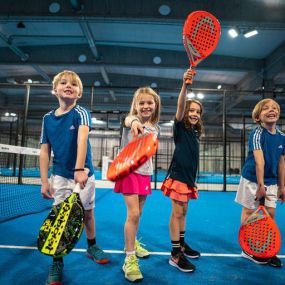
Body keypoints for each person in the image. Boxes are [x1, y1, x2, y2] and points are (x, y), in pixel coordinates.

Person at [40, 70, 110, 285]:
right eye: (63, 82)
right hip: (60, 176)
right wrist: (45, 180)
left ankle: (92, 246)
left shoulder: (81, 112)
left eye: (74, 84)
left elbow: (82, 139)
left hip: (84, 173)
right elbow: (44, 150)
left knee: (87, 213)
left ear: (79, 93)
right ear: (55, 90)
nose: (68, 85)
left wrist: (80, 169)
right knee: (60, 219)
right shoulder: (47, 119)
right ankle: (57, 261)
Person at [114, 87, 161, 282]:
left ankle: (131, 243)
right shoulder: (130, 121)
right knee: (132, 214)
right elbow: (128, 120)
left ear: (155, 105)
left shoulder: (156, 127)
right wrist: (133, 121)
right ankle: (129, 258)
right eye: (141, 103)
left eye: (149, 102)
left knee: (138, 214)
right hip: (129, 172)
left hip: (145, 173)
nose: (146, 106)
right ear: (136, 105)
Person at [235, 98, 285, 268]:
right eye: (266, 108)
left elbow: (281, 162)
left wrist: (282, 187)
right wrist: (260, 185)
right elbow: (259, 160)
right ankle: (247, 249)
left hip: (271, 182)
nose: (271, 110)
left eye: (274, 108)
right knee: (249, 212)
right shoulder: (257, 133)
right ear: (258, 116)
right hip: (252, 180)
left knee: (270, 214)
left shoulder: (282, 137)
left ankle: (266, 249)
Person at [161, 68, 202, 273]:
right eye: (191, 110)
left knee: (184, 211)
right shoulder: (180, 127)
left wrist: (193, 181)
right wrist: (185, 86)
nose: (194, 114)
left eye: (197, 112)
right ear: (184, 113)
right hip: (177, 177)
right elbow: (180, 104)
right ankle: (175, 254)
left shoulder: (195, 133)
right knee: (177, 212)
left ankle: (182, 244)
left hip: (188, 179)